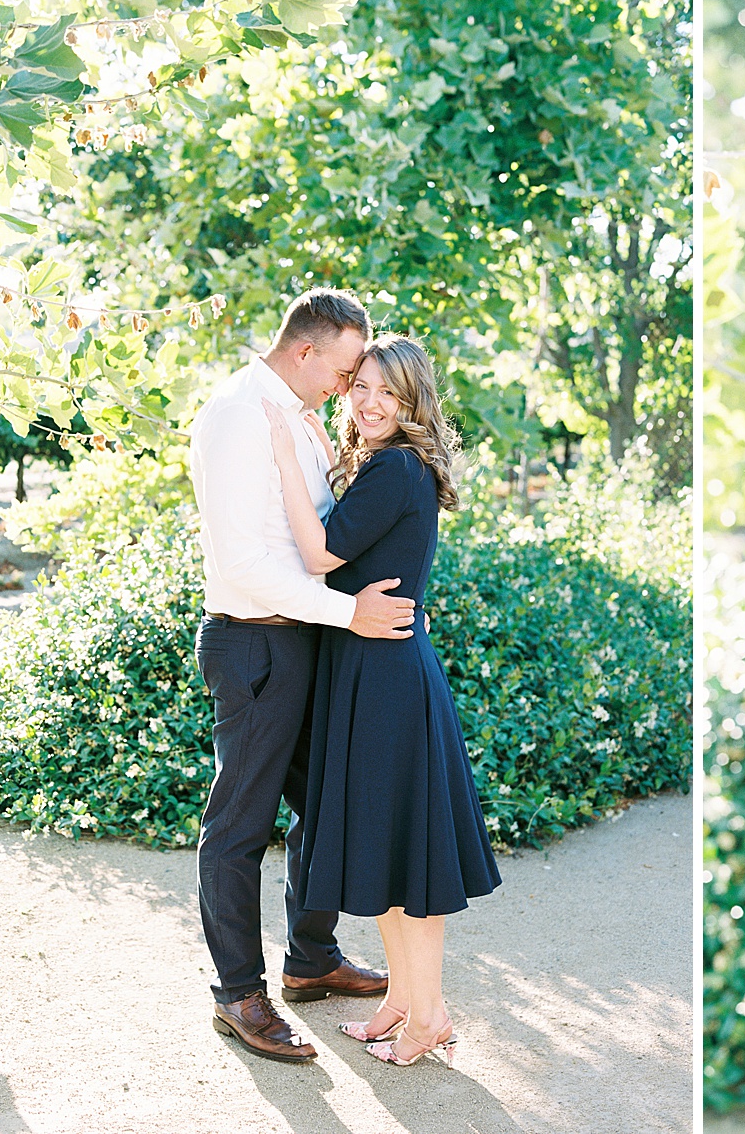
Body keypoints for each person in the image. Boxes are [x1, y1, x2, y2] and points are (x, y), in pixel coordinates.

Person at [190, 288, 420, 1064]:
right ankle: (237, 994)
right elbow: (248, 566)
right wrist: (348, 613)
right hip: (254, 643)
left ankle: (311, 959)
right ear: (306, 352)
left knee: (328, 803)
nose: (351, 386)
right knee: (239, 828)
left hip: (308, 642)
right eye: (348, 369)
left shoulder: (298, 414)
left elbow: (325, 536)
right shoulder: (236, 417)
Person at [262, 333, 502, 1070]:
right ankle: (402, 999)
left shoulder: (395, 466)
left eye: (388, 394)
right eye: (361, 385)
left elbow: (320, 555)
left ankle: (428, 1015)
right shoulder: (386, 464)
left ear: (412, 404)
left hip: (386, 679)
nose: (369, 402)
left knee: (409, 860)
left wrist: (280, 449)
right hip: (371, 669)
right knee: (394, 855)